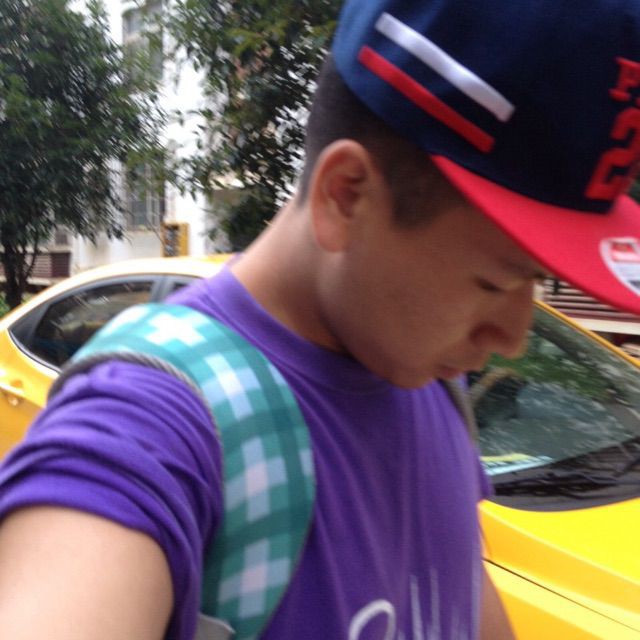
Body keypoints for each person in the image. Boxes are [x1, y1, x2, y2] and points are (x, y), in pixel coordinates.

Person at [2, 0, 640, 638]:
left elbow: (460, 595)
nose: (514, 337)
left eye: (538, 280)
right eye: (494, 282)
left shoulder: (432, 382)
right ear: (347, 195)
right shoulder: (151, 424)